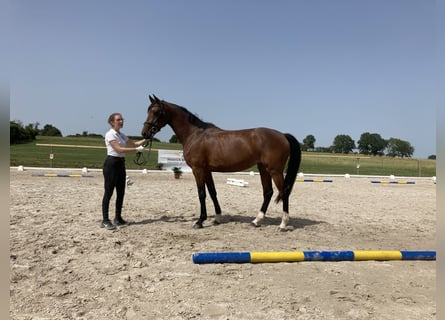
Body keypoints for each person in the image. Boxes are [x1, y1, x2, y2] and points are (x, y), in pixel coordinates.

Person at [101, 113, 147, 230]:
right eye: (118, 120)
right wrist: (136, 150)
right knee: (109, 192)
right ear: (112, 122)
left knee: (121, 192)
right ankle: (105, 220)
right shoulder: (110, 134)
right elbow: (119, 149)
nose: (121, 121)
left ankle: (118, 218)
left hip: (121, 164)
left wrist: (146, 139)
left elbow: (134, 143)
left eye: (122, 119)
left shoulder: (121, 135)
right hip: (111, 163)